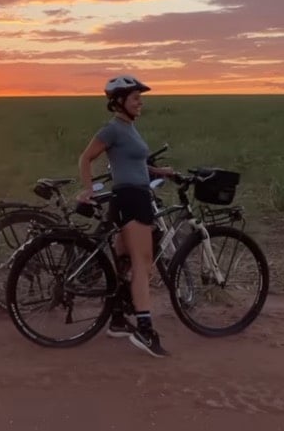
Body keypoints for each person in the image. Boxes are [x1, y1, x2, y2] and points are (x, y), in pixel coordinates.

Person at [77, 75, 174, 358]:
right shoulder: (113, 130)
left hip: (133, 195)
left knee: (123, 262)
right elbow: (86, 158)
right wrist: (87, 189)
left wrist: (158, 172)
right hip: (132, 199)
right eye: (135, 98)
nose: (140, 102)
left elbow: (134, 162)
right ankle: (145, 330)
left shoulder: (130, 128)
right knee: (143, 263)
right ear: (119, 102)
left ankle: (117, 319)